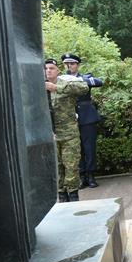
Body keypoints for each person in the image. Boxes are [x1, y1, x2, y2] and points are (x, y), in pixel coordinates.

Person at [45, 59, 88, 202]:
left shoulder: (65, 82)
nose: (49, 70)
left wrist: (56, 88)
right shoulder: (37, 87)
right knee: (56, 167)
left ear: (58, 71)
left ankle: (73, 194)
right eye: (46, 68)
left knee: (71, 165)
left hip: (69, 133)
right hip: (50, 135)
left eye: (52, 68)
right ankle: (61, 195)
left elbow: (84, 88)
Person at [61, 54, 104, 189]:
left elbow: (99, 82)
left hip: (86, 117)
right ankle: (81, 176)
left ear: (77, 65)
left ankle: (91, 175)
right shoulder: (61, 80)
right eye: (67, 64)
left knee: (89, 147)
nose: (69, 66)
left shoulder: (85, 77)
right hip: (69, 118)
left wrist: (80, 79)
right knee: (76, 148)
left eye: (72, 63)